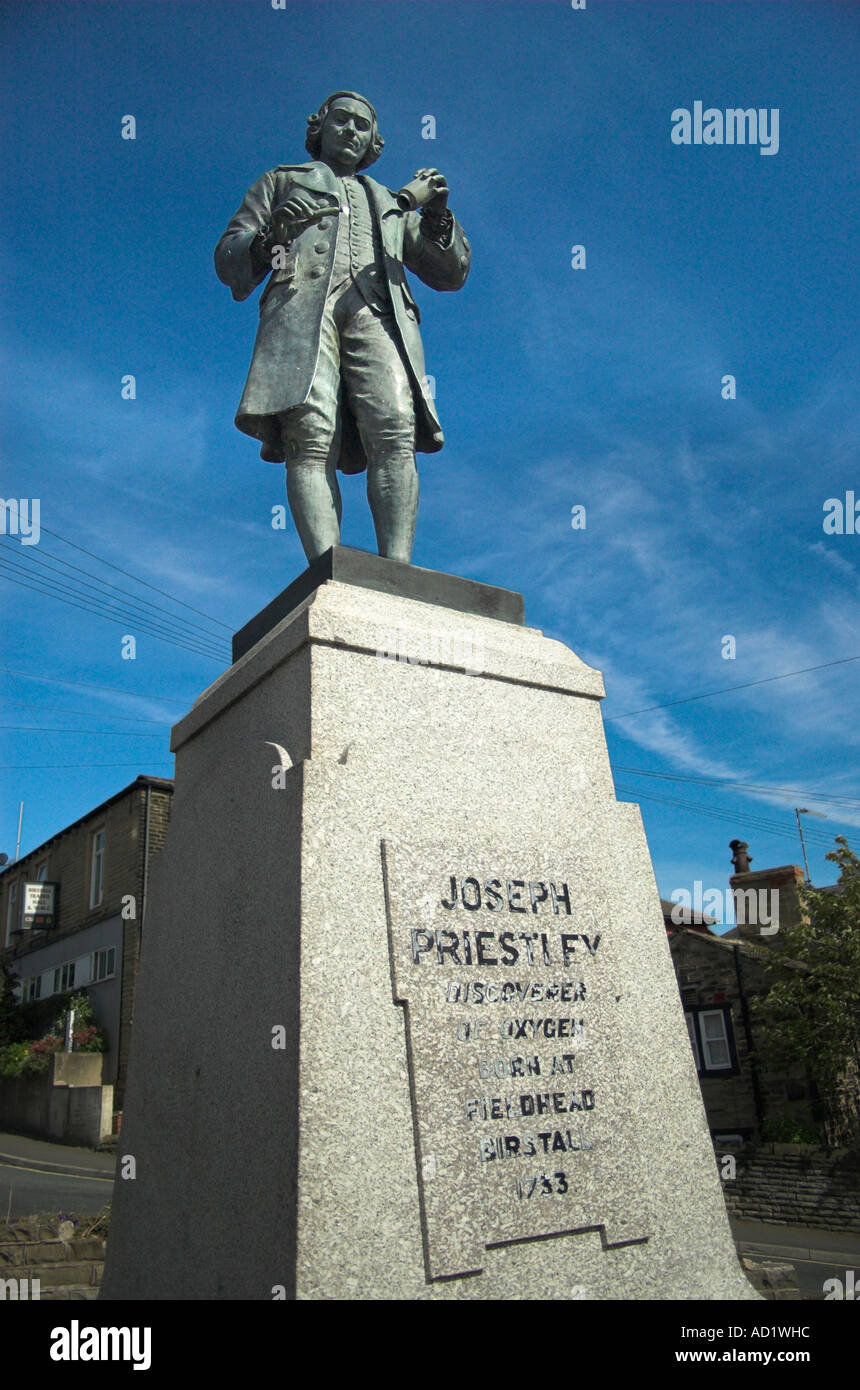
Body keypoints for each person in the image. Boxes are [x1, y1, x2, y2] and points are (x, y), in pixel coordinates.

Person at [215, 91, 471, 563]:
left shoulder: (391, 203)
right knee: (309, 434)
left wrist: (437, 217)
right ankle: (326, 570)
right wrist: (270, 239)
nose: (351, 130)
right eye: (341, 120)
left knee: (395, 428)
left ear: (374, 141)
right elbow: (229, 258)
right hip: (301, 313)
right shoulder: (281, 181)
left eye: (362, 125)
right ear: (320, 128)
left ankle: (398, 572)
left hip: (378, 314)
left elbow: (449, 274)